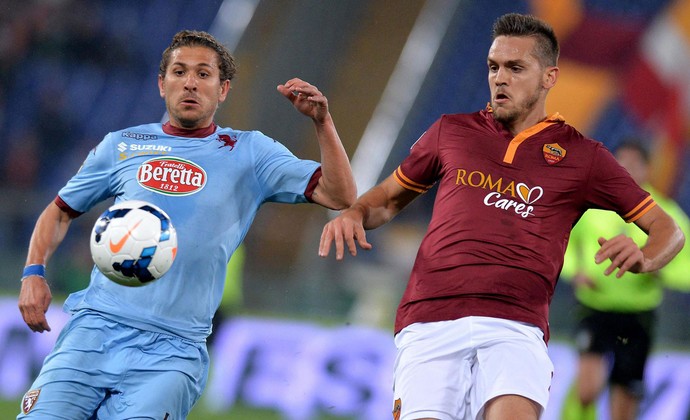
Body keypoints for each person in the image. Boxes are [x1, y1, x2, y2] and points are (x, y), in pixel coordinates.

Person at [318, 13, 685, 420]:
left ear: (549, 77)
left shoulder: (584, 156)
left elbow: (667, 230)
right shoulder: (450, 132)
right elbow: (386, 200)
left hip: (516, 326)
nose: (500, 78)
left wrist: (646, 255)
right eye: (494, 67)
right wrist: (355, 212)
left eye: (515, 68)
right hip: (430, 319)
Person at [17, 29, 356, 419]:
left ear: (223, 89)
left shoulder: (250, 152)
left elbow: (340, 195)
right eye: (179, 72)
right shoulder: (122, 145)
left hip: (173, 350)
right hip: (94, 331)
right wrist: (33, 271)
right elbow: (59, 210)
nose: (190, 82)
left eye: (203, 74)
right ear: (162, 84)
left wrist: (322, 123)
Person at [559, 140, 690, 420]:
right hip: (595, 307)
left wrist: (658, 267)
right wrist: (575, 270)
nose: (627, 169)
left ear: (647, 168)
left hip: (637, 314)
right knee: (586, 389)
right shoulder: (591, 207)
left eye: (634, 163)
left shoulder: (666, 217)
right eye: (621, 162)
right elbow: (562, 243)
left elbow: (685, 266)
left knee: (625, 397)